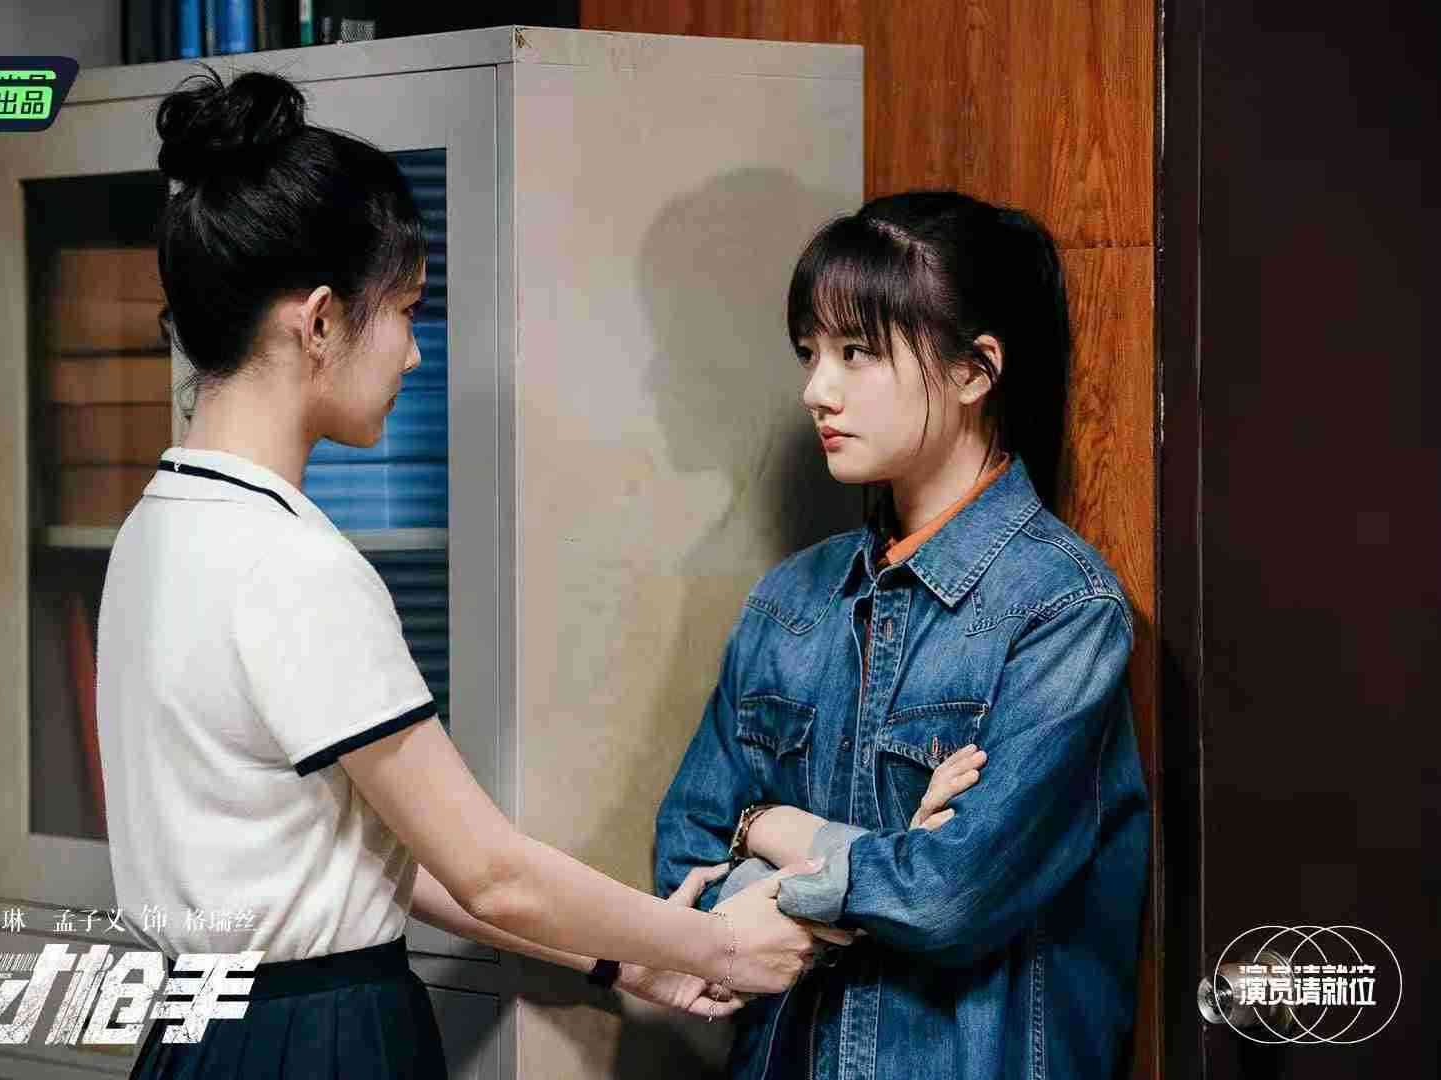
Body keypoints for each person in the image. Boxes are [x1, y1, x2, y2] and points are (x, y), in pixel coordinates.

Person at [95, 65, 855, 1080]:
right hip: (319, 1045)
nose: (414, 355)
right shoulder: (292, 566)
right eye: (407, 310)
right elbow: (491, 873)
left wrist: (627, 957)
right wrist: (719, 945)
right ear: (318, 322)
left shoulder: (158, 528)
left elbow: (372, 857)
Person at [655, 190, 1151, 1079]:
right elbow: (686, 866)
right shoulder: (789, 602)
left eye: (857, 353)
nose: (817, 390)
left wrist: (775, 830)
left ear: (974, 372)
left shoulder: (1063, 612)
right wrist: (866, 866)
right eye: (810, 353)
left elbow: (950, 898)